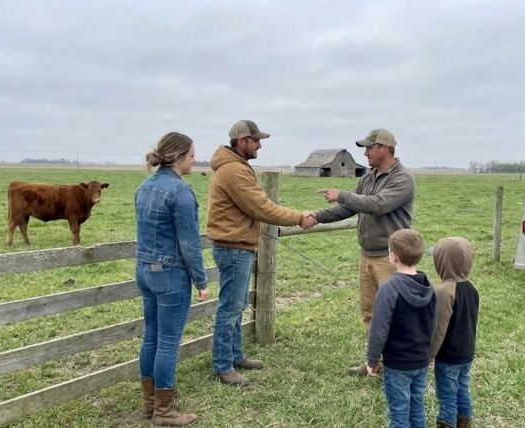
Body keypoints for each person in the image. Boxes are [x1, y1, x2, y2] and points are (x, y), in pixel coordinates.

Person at [207, 119, 317, 387]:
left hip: (237, 245)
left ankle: (234, 356)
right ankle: (222, 365)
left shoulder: (234, 167)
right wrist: (298, 217)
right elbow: (262, 207)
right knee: (230, 308)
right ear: (242, 141)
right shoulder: (235, 171)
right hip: (233, 247)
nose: (259, 145)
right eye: (256, 141)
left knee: (237, 304)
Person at [312, 128, 415, 375]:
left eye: (370, 147)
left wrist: (342, 195)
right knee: (370, 312)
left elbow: (379, 205)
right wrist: (316, 216)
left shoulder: (402, 178)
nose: (366, 152)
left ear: (385, 148)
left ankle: (399, 364)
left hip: (391, 258)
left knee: (394, 313)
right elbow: (348, 208)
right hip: (367, 254)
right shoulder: (369, 177)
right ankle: (374, 363)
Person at [135, 132, 210, 427]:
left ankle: (149, 403)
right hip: (170, 274)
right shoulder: (180, 192)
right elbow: (189, 244)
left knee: (151, 335)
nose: (194, 160)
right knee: (168, 341)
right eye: (192, 156)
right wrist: (202, 281)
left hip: (144, 269)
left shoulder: (144, 187)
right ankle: (164, 413)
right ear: (179, 157)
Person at [366, 229, 436, 428]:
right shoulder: (429, 286)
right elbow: (434, 324)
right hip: (421, 361)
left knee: (399, 412)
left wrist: (372, 359)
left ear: (393, 256)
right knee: (416, 407)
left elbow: (378, 329)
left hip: (397, 365)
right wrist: (430, 354)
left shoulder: (388, 289)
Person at [429, 237, 479, 428]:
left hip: (448, 356)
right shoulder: (472, 288)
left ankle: (446, 424)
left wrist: (429, 354)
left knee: (447, 396)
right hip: (467, 353)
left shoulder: (444, 291)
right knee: (462, 390)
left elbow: (439, 328)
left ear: (441, 261)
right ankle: (464, 422)